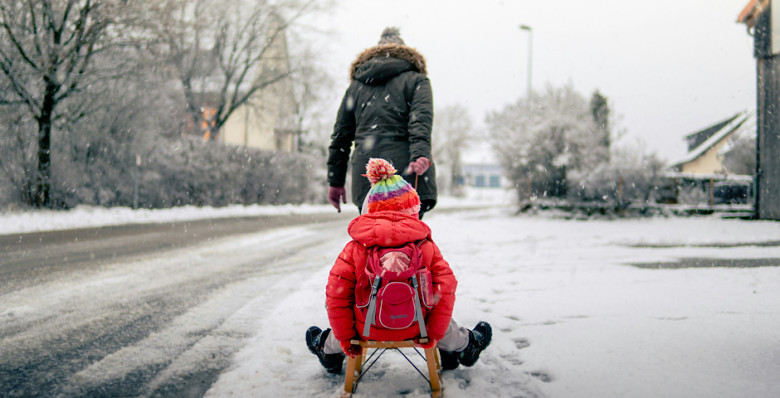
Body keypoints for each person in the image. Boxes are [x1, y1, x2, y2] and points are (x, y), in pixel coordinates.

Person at [306, 158, 491, 374]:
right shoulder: (426, 247)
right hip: (417, 327)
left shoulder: (355, 249)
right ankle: (465, 345)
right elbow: (446, 289)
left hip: (366, 330)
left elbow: (336, 296)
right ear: (414, 210)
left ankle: (328, 350)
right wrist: (432, 333)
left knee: (347, 315)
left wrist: (347, 339)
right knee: (440, 317)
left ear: (370, 210)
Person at [327, 27, 437, 219]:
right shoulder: (417, 80)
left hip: (367, 173)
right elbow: (420, 122)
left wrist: (335, 181)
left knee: (372, 238)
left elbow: (341, 137)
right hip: (406, 172)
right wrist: (420, 154)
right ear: (405, 53)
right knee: (408, 240)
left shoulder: (356, 86)